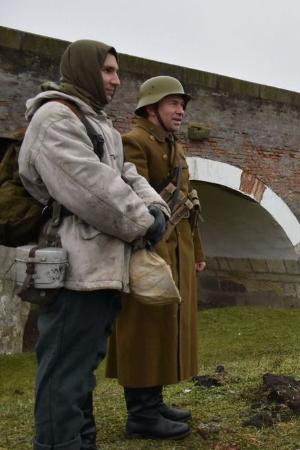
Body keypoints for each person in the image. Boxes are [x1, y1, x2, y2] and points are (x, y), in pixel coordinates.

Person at [18, 40, 170, 450]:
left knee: (82, 367)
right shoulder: (54, 120)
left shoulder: (97, 122)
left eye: (117, 71)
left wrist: (156, 208)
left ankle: (80, 440)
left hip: (100, 265)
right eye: (107, 71)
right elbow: (92, 189)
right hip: (73, 268)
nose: (116, 80)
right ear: (83, 70)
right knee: (64, 370)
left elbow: (126, 174)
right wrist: (143, 224)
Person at [106, 76, 206, 439]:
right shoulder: (134, 143)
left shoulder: (173, 146)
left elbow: (188, 200)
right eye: (172, 104)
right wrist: (152, 249)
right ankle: (141, 413)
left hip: (177, 248)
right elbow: (134, 202)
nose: (180, 111)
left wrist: (198, 250)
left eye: (182, 105)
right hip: (150, 250)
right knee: (143, 329)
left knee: (165, 328)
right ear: (151, 108)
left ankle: (154, 400)